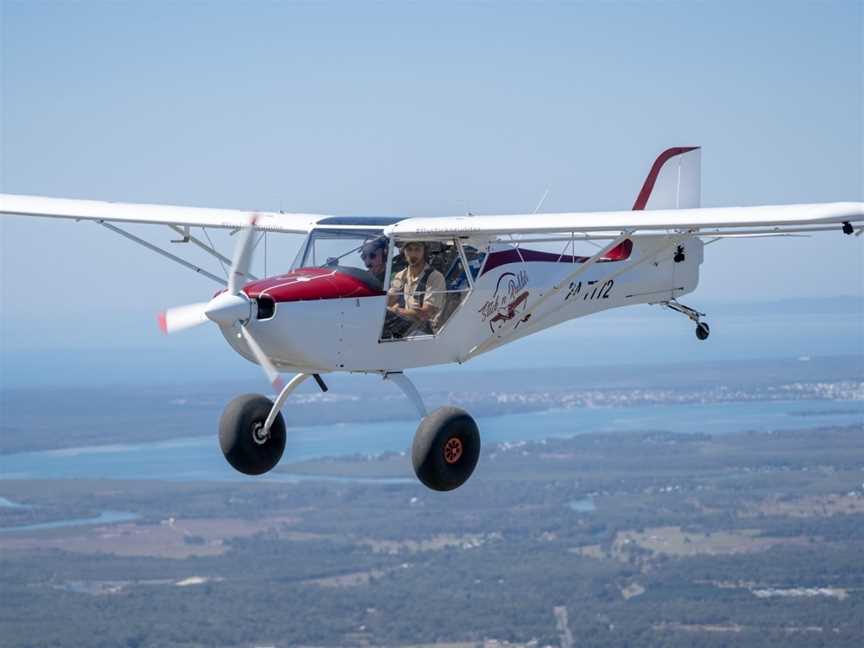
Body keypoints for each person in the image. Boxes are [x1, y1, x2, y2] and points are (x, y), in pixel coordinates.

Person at [386, 241, 446, 336]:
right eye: (409, 250)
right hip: (408, 327)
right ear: (403, 251)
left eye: (417, 249)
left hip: (429, 332)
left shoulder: (435, 277)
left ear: (424, 252)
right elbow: (390, 298)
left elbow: (425, 314)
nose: (413, 254)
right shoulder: (401, 275)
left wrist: (396, 311)